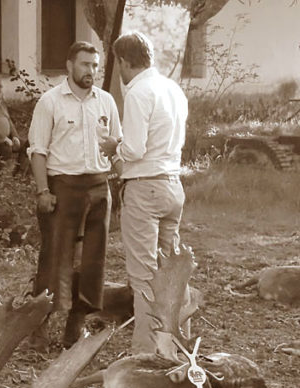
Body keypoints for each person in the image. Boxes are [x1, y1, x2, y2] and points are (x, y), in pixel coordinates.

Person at [26, 41, 122, 349]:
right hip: (62, 187)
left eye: (95, 65)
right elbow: (37, 151)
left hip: (98, 186)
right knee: (55, 258)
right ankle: (38, 324)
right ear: (69, 66)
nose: (91, 71)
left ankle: (76, 324)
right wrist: (43, 191)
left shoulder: (106, 101)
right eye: (85, 65)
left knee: (93, 260)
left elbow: (116, 147)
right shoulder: (50, 102)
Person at [100, 31, 189, 356]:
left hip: (145, 187)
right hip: (172, 184)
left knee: (143, 276)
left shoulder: (138, 92)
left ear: (123, 61)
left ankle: (144, 355)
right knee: (173, 271)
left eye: (119, 65)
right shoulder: (173, 89)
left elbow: (134, 149)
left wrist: (114, 146)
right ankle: (178, 346)